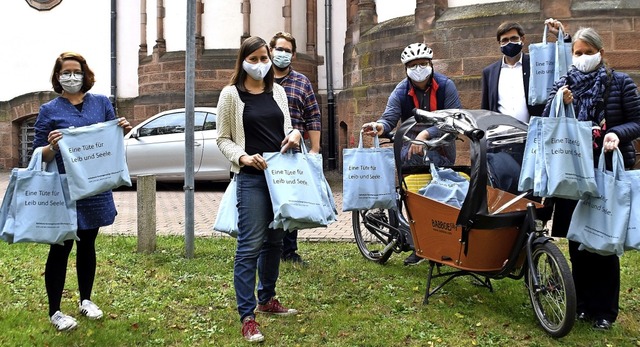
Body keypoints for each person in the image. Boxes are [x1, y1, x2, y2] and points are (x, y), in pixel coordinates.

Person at [542, 27, 640, 330]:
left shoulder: (619, 83)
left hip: (605, 171)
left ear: (600, 53)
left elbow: (637, 121)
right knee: (577, 241)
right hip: (573, 172)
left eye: (587, 52)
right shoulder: (563, 84)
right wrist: (564, 102)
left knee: (602, 242)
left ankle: (605, 311)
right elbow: (549, 118)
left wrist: (615, 133)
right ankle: (581, 304)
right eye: (577, 53)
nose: (582, 58)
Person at [33, 52, 132, 331]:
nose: (71, 76)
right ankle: (55, 311)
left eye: (76, 71)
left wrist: (121, 130)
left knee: (87, 245)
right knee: (60, 248)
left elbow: (110, 140)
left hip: (94, 187)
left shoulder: (101, 103)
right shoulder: (48, 110)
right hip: (64, 188)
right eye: (66, 72)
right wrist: (52, 146)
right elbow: (38, 155)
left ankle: (86, 300)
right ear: (57, 76)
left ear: (85, 74)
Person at [216, 36, 302, 343]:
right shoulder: (230, 95)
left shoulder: (277, 91)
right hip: (251, 177)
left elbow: (289, 127)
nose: (260, 64)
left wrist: (294, 137)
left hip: (280, 177)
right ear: (242, 62)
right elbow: (222, 138)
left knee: (275, 241)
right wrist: (242, 157)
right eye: (252, 59)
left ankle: (267, 299)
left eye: (263, 58)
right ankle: (247, 316)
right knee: (249, 245)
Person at [361, 42, 462, 265]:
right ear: (406, 68)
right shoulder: (401, 90)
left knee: (440, 194)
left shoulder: (446, 86)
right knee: (414, 195)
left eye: (423, 63)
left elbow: (454, 120)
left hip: (442, 148)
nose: (419, 68)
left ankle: (438, 240)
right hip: (410, 150)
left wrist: (426, 134)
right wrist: (379, 126)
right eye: (413, 65)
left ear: (431, 64)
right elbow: (389, 117)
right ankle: (419, 243)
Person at [269, 31, 322, 265]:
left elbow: (313, 115)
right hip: (267, 148)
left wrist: (315, 149)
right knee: (267, 199)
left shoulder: (301, 82)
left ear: (293, 54)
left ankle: (289, 251)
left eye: (287, 50)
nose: (282, 54)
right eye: (278, 49)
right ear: (271, 51)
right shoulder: (261, 78)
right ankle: (267, 247)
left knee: (291, 199)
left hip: (293, 151)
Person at [481, 19, 569, 123]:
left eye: (513, 38)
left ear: (522, 39)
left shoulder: (537, 64)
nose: (509, 43)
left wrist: (562, 37)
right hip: (500, 135)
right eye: (504, 40)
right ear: (499, 43)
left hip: (532, 132)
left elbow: (563, 64)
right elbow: (485, 109)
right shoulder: (489, 72)